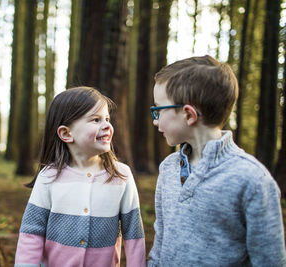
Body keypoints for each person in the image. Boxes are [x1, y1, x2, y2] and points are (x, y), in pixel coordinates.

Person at [148, 55, 286, 266]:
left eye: (158, 110)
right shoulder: (168, 168)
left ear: (188, 115)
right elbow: (159, 245)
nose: (155, 121)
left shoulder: (252, 180)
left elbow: (270, 260)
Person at [15, 86, 146, 267]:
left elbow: (134, 234)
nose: (107, 125)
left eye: (107, 119)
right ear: (66, 133)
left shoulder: (121, 176)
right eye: (95, 120)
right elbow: (32, 232)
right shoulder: (49, 176)